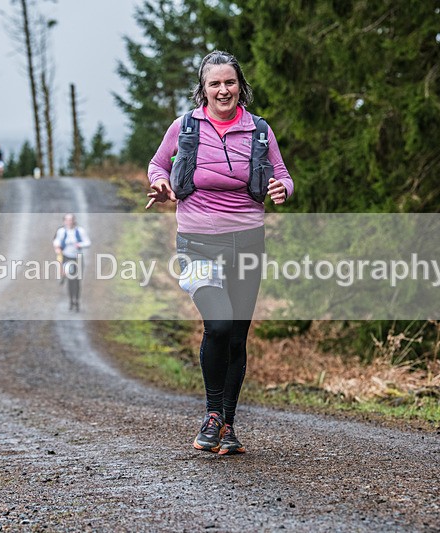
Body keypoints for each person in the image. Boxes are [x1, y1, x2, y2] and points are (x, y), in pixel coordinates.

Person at [146, 50, 293, 455]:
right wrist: (161, 184)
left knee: (238, 337)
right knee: (220, 325)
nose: (223, 89)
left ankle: (227, 425)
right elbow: (157, 165)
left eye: (230, 82)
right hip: (198, 243)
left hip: (247, 242)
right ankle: (212, 415)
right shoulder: (185, 126)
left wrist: (282, 189)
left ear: (240, 87)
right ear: (203, 89)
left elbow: (282, 175)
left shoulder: (259, 130)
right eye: (215, 83)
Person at [53, 213, 91, 311]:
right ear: (64, 221)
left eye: (71, 220)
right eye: (67, 220)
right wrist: (57, 247)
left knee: (77, 281)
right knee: (70, 280)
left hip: (78, 258)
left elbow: (87, 242)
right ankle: (71, 301)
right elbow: (56, 241)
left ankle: (77, 300)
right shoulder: (61, 231)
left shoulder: (80, 231)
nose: (69, 222)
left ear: (74, 221)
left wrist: (79, 245)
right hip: (67, 257)